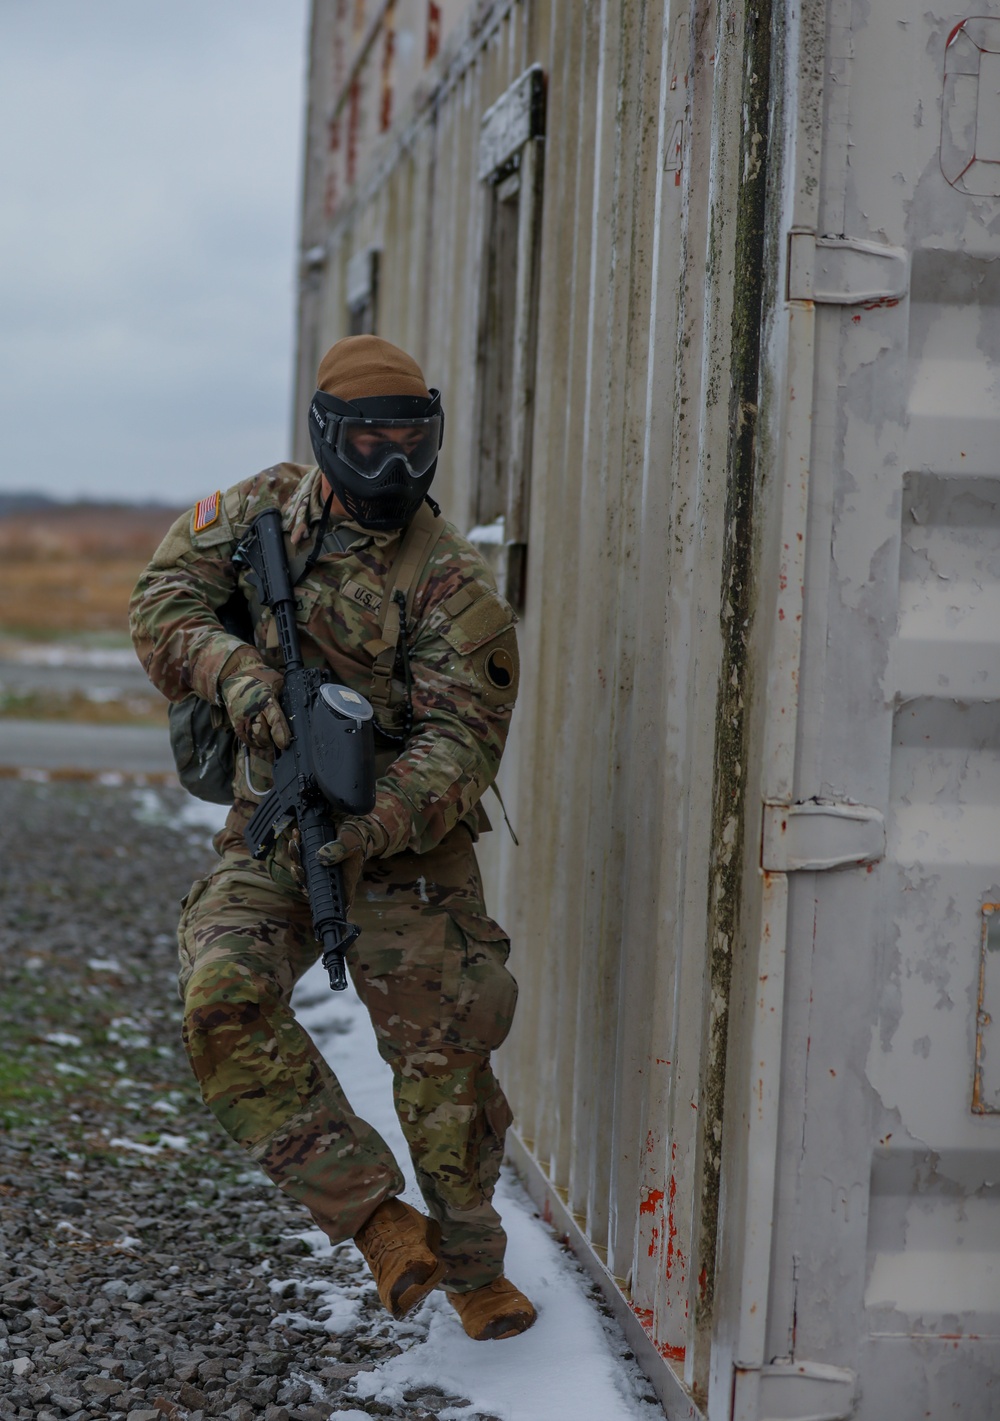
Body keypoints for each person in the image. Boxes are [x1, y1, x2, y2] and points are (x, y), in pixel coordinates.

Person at [129, 335, 535, 1341]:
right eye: (371, 440)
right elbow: (161, 602)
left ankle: (475, 1267)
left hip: (405, 845)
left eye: (412, 440)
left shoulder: (454, 585)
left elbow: (458, 746)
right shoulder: (260, 515)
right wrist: (237, 672)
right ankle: (375, 1217)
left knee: (446, 1054)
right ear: (328, 438)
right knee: (220, 994)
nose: (393, 464)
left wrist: (370, 827)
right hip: (273, 827)